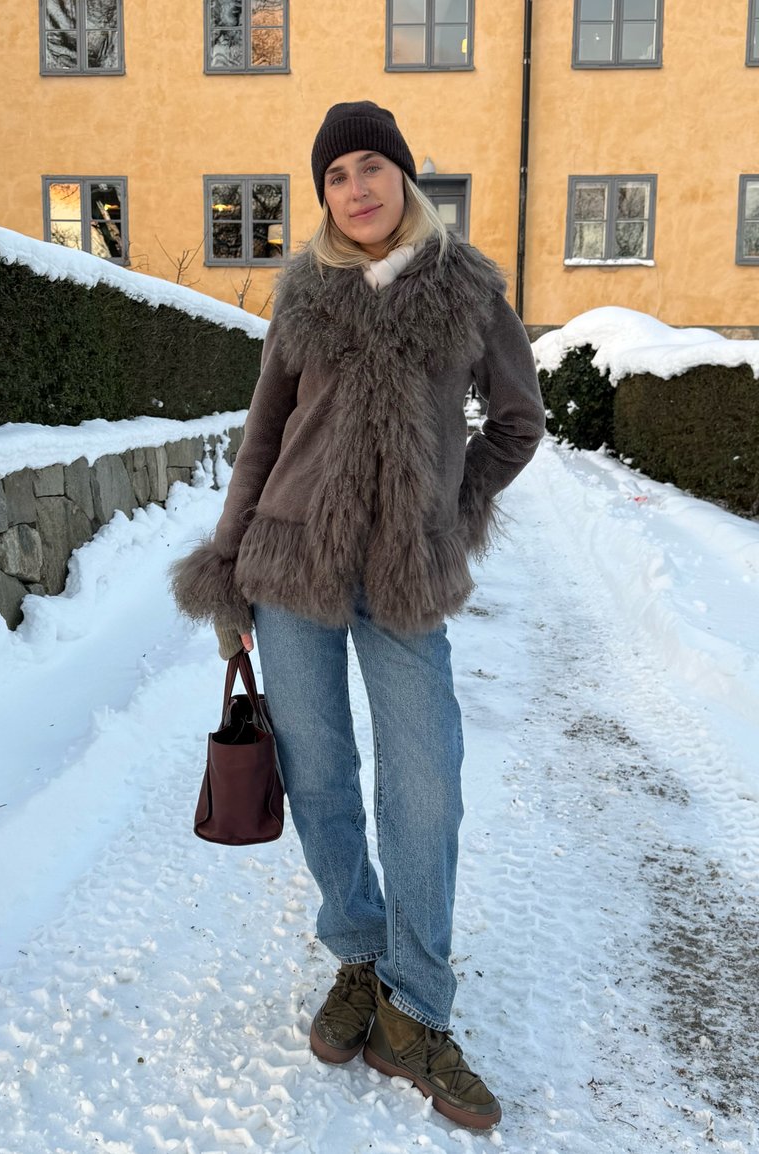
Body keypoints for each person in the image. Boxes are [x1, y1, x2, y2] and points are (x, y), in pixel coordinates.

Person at [171, 100, 545, 1130]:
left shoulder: (466, 287)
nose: (356, 189)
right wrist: (227, 569)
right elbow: (261, 438)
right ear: (325, 194)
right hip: (289, 565)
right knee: (322, 777)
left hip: (404, 580)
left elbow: (517, 421)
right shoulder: (304, 295)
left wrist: (448, 514)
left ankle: (416, 1004)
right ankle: (360, 952)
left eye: (372, 167)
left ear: (404, 179)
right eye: (336, 175)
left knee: (425, 784)